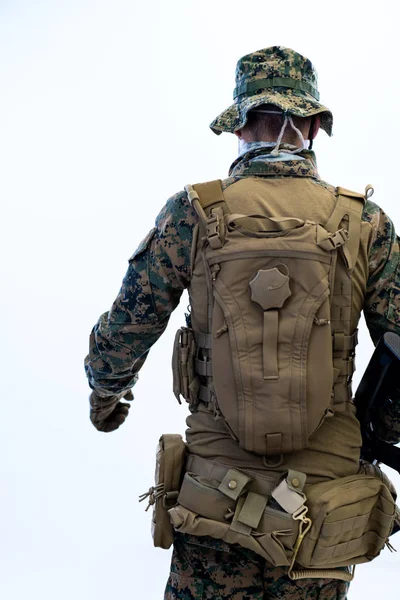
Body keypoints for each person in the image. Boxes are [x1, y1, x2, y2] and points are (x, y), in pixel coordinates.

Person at [85, 46, 400, 599]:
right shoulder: (364, 222)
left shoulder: (195, 213)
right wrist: (375, 438)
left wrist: (105, 397)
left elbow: (126, 328)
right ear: (313, 126)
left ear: (239, 124)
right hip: (323, 507)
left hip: (214, 495)